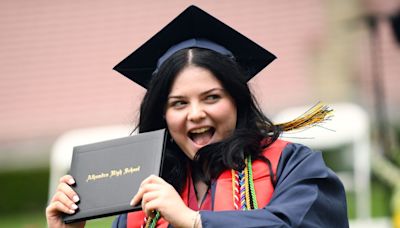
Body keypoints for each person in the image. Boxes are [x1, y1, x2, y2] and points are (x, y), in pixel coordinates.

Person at [46, 5, 349, 228]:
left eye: (212, 98)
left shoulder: (290, 164)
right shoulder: (144, 192)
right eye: (178, 103)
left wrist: (194, 221)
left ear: (237, 101)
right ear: (162, 115)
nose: (195, 114)